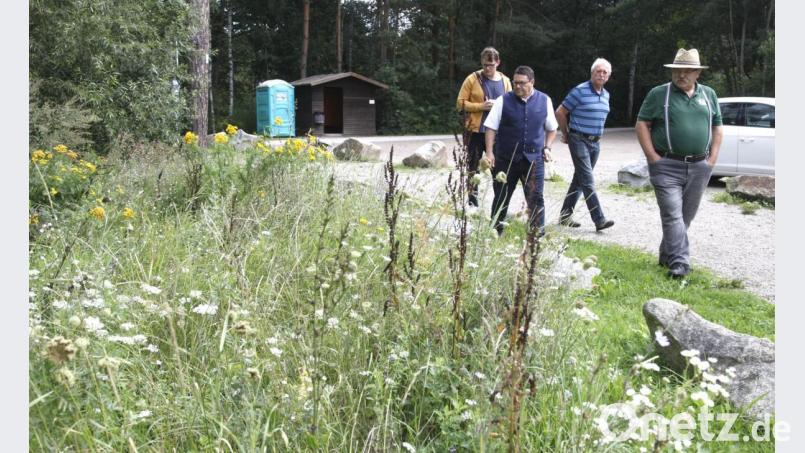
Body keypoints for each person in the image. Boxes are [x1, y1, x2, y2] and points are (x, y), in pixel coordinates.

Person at [635, 48, 723, 279]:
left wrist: (712, 159)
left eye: (687, 71)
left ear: (697, 73)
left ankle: (666, 255)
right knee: (672, 214)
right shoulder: (659, 94)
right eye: (677, 70)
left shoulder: (709, 95)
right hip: (666, 165)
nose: (681, 75)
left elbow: (717, 126)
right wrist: (652, 157)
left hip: (699, 166)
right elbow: (642, 124)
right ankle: (680, 263)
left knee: (685, 216)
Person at [483, 65, 557, 236]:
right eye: (515, 82)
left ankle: (537, 234)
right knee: (501, 196)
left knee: (536, 198)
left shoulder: (544, 100)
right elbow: (491, 127)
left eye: (522, 83)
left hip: (534, 159)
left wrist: (547, 147)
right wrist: (489, 152)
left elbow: (552, 128)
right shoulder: (503, 100)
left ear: (532, 82)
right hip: (505, 159)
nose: (517, 86)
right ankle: (495, 232)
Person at [555, 58, 615, 231]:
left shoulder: (606, 94)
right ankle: (599, 219)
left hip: (596, 143)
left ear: (608, 76)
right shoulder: (579, 91)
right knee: (588, 180)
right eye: (598, 71)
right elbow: (560, 112)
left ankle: (565, 216)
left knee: (580, 179)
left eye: (605, 72)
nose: (601, 74)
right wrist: (566, 133)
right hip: (578, 138)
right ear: (592, 73)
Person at [456, 47, 512, 209]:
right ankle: (472, 203)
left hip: (497, 133)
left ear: (498, 63)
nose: (488, 68)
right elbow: (460, 103)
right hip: (474, 131)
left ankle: (500, 205)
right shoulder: (472, 79)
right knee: (472, 168)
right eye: (485, 65)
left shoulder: (506, 81)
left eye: (491, 65)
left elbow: (511, 103)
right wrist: (481, 106)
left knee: (498, 169)